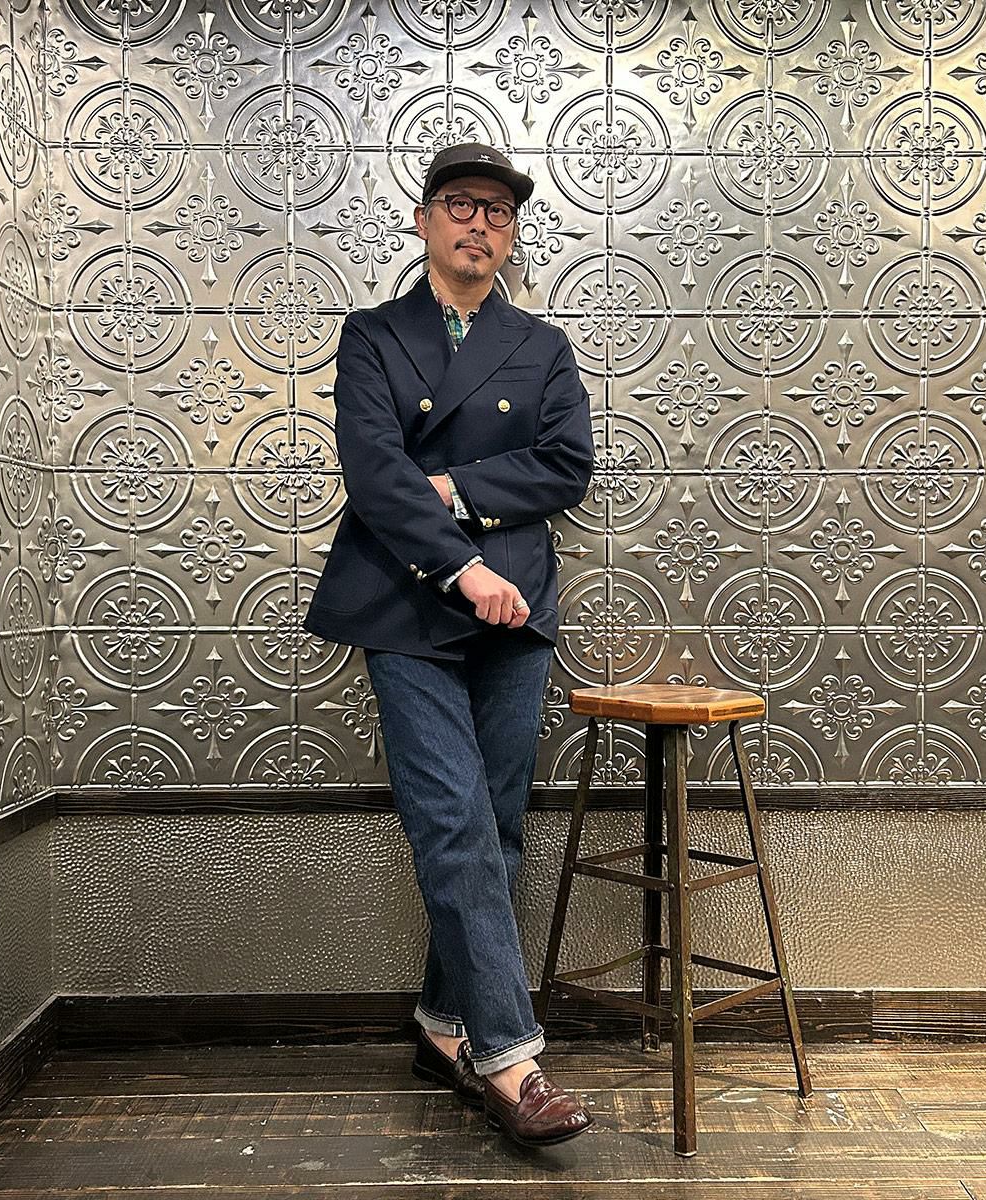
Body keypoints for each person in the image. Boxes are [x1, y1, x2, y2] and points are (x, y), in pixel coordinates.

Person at [302, 142, 596, 1146]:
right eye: (462, 205)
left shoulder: (541, 345)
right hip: (409, 602)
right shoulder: (374, 334)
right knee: (454, 823)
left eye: (499, 213)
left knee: (496, 829)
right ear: (425, 220)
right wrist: (464, 563)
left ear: (512, 237)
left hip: (520, 609)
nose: (481, 225)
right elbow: (375, 472)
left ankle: (440, 1025)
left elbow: (567, 464)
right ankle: (510, 1060)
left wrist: (459, 487)